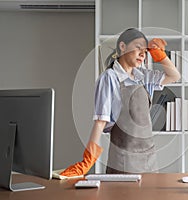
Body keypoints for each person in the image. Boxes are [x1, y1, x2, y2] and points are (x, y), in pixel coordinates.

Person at [60, 28, 181, 176]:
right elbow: (100, 121)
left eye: (145, 50)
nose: (143, 54)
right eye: (138, 48)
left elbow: (174, 76)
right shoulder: (109, 78)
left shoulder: (143, 76)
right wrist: (87, 161)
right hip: (123, 160)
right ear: (122, 47)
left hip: (149, 158)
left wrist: (160, 55)